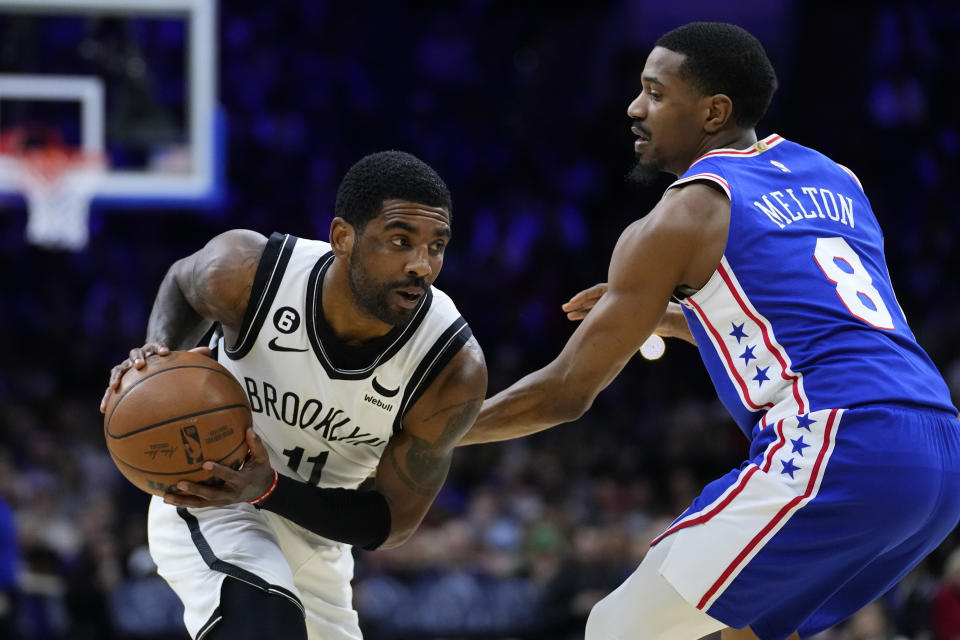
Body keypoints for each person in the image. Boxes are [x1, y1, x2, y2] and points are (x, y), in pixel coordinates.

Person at [458, 21, 960, 640]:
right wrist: (684, 320)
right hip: (938, 451)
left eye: (655, 93)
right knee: (737, 632)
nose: (634, 107)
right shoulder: (835, 178)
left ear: (714, 111)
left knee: (617, 628)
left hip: (839, 442)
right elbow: (822, 325)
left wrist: (436, 432)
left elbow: (565, 392)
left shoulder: (687, 210)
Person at [99, 150, 487, 640]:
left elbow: (391, 522)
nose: (421, 265)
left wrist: (270, 488)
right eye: (400, 241)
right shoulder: (248, 272)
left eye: (437, 247)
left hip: (317, 537)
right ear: (343, 238)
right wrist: (158, 353)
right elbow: (182, 281)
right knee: (265, 623)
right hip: (214, 497)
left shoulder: (450, 367)